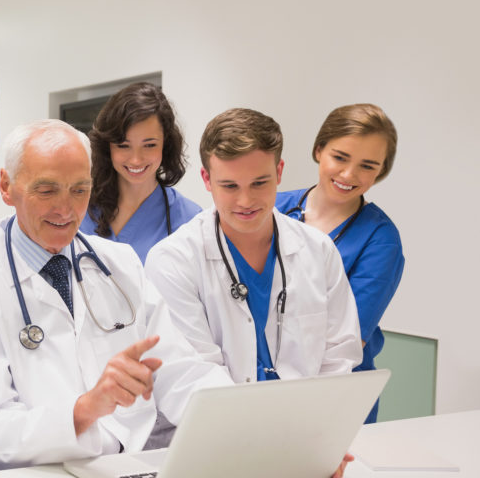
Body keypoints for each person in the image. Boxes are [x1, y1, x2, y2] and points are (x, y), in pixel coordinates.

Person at [0, 119, 232, 474]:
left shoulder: (120, 265)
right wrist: (85, 409)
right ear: (6, 186)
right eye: (47, 191)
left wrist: (243, 422)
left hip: (124, 470)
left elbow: (179, 369)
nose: (66, 209)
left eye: (79, 190)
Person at [145, 108, 362, 384]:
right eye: (230, 186)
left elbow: (339, 356)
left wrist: (312, 417)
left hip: (306, 419)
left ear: (279, 171)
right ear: (206, 180)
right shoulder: (173, 260)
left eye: (259, 183)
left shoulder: (319, 251)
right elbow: (194, 372)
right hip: (218, 422)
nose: (246, 201)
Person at [275, 104, 403, 423]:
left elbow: (348, 341)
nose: (348, 175)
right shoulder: (273, 208)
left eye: (367, 166)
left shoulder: (380, 239)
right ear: (319, 150)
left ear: (381, 170)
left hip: (335, 398)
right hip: (260, 387)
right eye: (340, 157)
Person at [81, 82, 201, 263]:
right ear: (107, 147)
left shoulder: (190, 220)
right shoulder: (78, 208)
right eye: (123, 146)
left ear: (166, 144)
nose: (136, 160)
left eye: (149, 145)